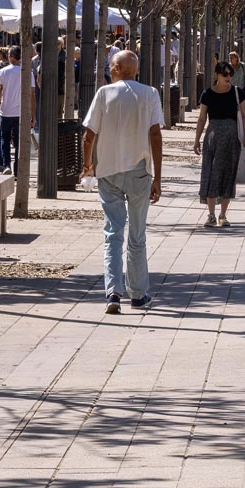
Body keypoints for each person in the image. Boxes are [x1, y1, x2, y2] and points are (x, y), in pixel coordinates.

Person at [82, 50, 163, 313]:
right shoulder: (150, 93)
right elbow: (155, 134)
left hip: (109, 172)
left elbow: (89, 134)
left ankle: (113, 293)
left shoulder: (104, 94)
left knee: (112, 234)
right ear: (135, 70)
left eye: (109, 65)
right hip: (140, 172)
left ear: (116, 68)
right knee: (137, 236)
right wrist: (157, 175)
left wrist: (88, 165)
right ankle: (138, 294)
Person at [194, 60, 245, 228]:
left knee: (228, 174)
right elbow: (202, 117)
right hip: (212, 138)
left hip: (231, 138)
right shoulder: (207, 94)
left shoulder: (237, 92)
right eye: (225, 74)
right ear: (216, 75)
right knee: (210, 173)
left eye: (230, 74)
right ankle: (210, 214)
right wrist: (196, 139)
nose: (228, 77)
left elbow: (244, 115)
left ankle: (223, 215)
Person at [0, 46, 29, 173]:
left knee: (5, 139)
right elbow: (32, 94)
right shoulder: (27, 72)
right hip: (21, 112)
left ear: (10, 57)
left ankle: (6, 164)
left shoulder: (3, 72)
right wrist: (33, 115)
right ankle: (18, 167)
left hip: (5, 111)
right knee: (19, 141)